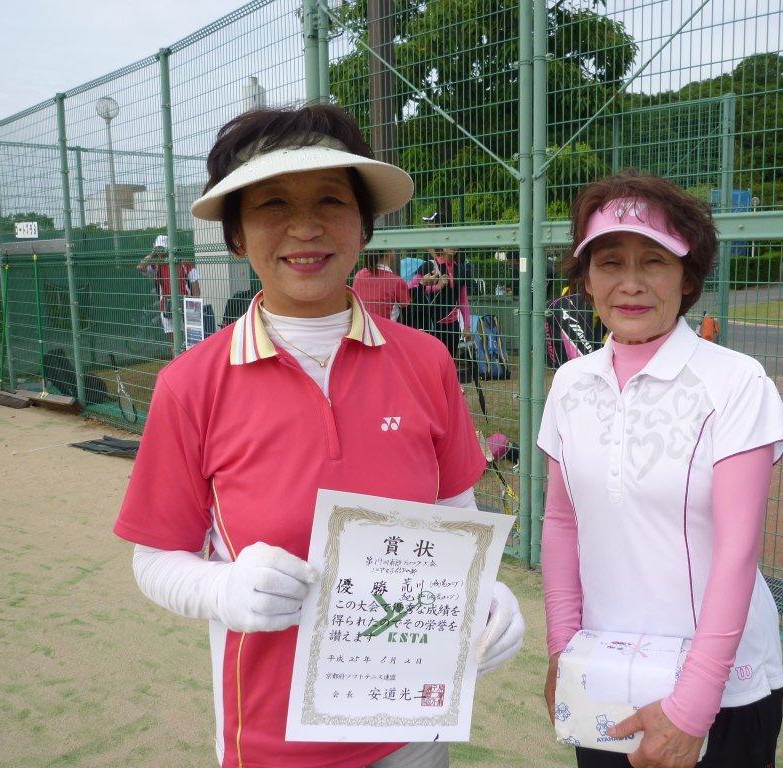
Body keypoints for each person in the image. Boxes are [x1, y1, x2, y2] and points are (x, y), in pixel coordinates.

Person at [113, 103, 525, 768]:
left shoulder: (427, 362)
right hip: (271, 742)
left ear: (363, 224)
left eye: (331, 200)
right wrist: (223, 589)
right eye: (272, 203)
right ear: (237, 234)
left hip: (412, 722)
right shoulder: (191, 384)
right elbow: (155, 558)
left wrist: (482, 594)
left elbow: (454, 516)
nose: (304, 226)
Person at [538, 172, 783, 768]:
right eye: (609, 262)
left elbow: (737, 550)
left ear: (687, 276)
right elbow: (561, 524)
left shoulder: (735, 382)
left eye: (653, 261)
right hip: (603, 669)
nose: (630, 283)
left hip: (720, 690)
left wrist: (692, 708)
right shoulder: (571, 384)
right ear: (586, 278)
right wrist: (562, 651)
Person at [410, 245, 479, 360]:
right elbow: (412, 289)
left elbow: (463, 300)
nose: (452, 245)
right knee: (433, 361)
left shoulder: (461, 270)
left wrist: (467, 326)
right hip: (431, 324)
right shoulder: (429, 266)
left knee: (450, 361)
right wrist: (437, 287)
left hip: (453, 326)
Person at [135, 234, 202, 344]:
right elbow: (140, 267)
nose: (161, 252)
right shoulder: (156, 265)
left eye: (163, 249)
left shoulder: (184, 263)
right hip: (166, 305)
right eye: (158, 249)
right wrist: (152, 253)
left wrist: (194, 306)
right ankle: (175, 354)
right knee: (172, 340)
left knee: (192, 339)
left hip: (186, 304)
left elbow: (195, 286)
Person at [352, 250, 411, 321]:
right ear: (388, 253)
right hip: (385, 325)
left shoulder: (359, 275)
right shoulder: (397, 281)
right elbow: (405, 304)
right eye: (392, 250)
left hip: (361, 324)